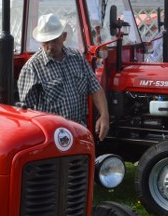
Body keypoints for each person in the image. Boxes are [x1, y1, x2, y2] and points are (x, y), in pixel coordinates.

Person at [18, 13, 110, 141]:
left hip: (79, 130)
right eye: (46, 42)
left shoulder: (77, 57)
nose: (50, 46)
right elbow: (25, 112)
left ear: (64, 37)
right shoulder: (32, 67)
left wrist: (104, 115)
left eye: (54, 40)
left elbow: (95, 88)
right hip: (51, 136)